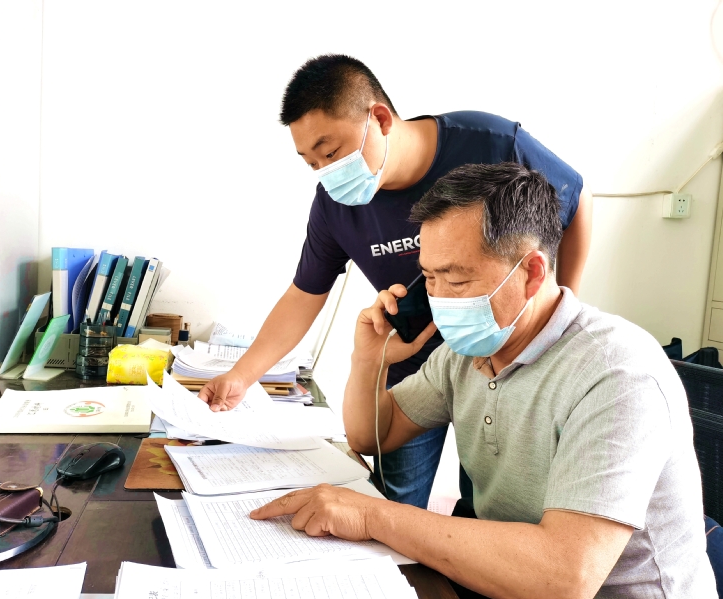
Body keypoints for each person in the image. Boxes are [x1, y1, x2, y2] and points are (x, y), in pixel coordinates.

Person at [250, 163, 716, 598]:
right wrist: (369, 362)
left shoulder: (617, 373)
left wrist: (374, 516)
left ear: (532, 273)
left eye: (455, 281)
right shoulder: (466, 353)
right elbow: (373, 436)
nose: (438, 299)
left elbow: (565, 577)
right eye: (428, 278)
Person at [199, 54, 593, 510]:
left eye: (331, 152)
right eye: (311, 163)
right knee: (393, 500)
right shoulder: (334, 205)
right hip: (415, 363)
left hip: (504, 358)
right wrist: (242, 377)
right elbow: (304, 293)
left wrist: (558, 316)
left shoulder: (493, 144)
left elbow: (575, 201)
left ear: (381, 119)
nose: (325, 171)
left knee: (492, 501)